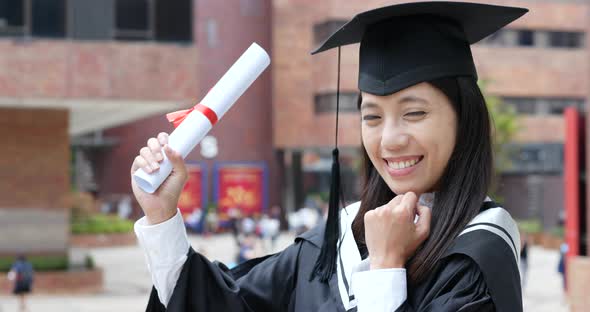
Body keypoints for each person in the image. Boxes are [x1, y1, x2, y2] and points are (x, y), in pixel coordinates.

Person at [131, 2, 526, 311]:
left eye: (415, 113)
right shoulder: (338, 241)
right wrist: (162, 215)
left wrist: (386, 266)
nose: (389, 140)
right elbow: (225, 303)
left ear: (465, 119)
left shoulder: (478, 255)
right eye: (371, 116)